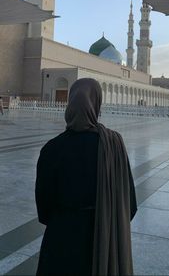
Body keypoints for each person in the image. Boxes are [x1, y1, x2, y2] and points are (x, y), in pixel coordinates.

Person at [35, 78, 137, 276]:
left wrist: (66, 220)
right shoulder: (113, 144)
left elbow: (44, 207)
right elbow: (129, 203)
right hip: (103, 239)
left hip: (61, 239)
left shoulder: (51, 149)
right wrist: (108, 221)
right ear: (97, 104)